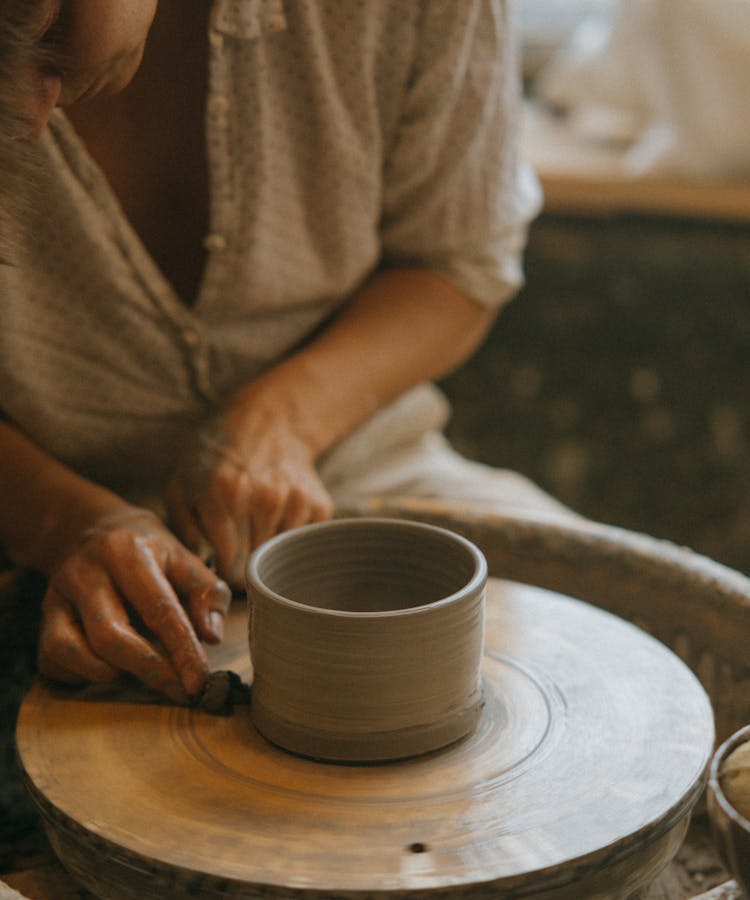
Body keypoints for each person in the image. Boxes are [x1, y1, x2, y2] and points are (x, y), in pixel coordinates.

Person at [0, 0, 572, 705]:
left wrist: (284, 420)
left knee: (636, 677)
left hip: (354, 462)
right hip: (22, 508)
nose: (28, 121)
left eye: (39, 33)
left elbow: (457, 264)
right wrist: (62, 520)